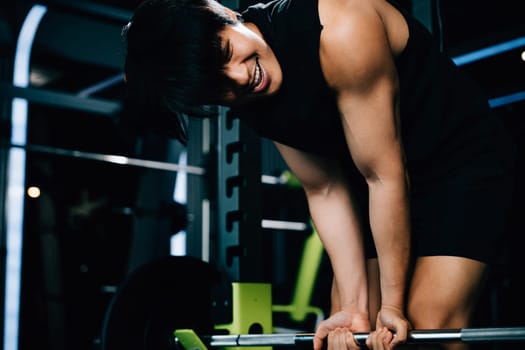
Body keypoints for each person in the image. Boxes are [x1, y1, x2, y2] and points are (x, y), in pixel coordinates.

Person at [121, 0, 516, 349]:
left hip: (457, 160)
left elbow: (385, 176)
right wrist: (354, 307)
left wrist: (392, 306)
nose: (241, 78)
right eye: (219, 87)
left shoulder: (340, 27)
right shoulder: (248, 93)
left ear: (226, 15)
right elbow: (324, 188)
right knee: (348, 333)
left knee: (425, 328)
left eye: (227, 51)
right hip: (373, 184)